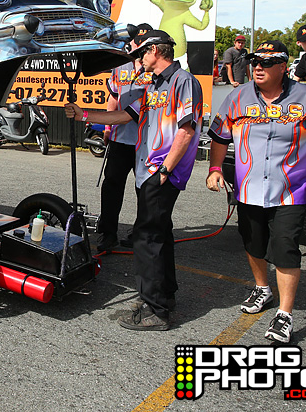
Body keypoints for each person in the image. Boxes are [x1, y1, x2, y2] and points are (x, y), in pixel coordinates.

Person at [206, 40, 306, 343]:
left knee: (285, 247)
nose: (258, 67)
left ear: (284, 66)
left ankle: (284, 314)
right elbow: (219, 137)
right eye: (255, 61)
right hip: (248, 189)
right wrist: (215, 168)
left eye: (267, 62)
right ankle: (262, 288)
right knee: (253, 242)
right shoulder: (236, 97)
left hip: (290, 190)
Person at [65, 30, 203, 331]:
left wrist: (165, 170)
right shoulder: (154, 84)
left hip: (162, 172)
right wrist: (84, 115)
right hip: (149, 171)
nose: (138, 59)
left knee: (147, 238)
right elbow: (124, 116)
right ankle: (163, 295)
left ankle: (156, 311)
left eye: (142, 53)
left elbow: (187, 130)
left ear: (156, 51)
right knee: (159, 234)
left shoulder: (183, 81)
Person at [91, 24, 154, 252]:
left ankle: (141, 233)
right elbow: (113, 97)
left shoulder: (155, 68)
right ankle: (108, 233)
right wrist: (108, 128)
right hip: (120, 139)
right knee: (112, 185)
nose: (138, 46)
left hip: (146, 141)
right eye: (136, 41)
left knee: (144, 189)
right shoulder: (121, 66)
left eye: (143, 43)